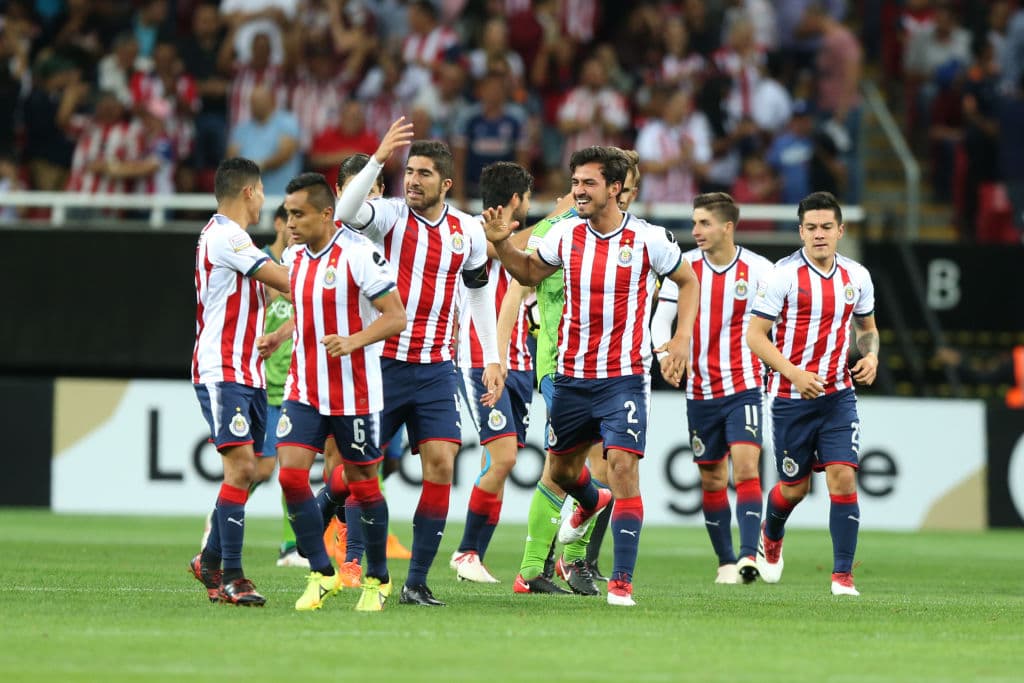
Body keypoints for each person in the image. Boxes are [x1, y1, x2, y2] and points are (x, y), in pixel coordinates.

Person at [484, 146, 699, 606]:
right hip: (571, 376)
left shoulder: (648, 240)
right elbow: (525, 271)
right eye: (575, 182)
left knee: (622, 467)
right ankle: (588, 503)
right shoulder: (563, 235)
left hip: (624, 376)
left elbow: (688, 281)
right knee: (562, 471)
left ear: (615, 189)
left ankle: (621, 582)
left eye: (588, 183)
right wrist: (503, 244)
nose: (577, 191)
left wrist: (680, 341)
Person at [334, 117, 505, 607]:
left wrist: (490, 357)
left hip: (435, 369)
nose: (412, 180)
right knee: (357, 471)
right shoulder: (388, 217)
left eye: (424, 173)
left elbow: (477, 294)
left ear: (446, 183)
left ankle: (415, 582)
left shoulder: (468, 232)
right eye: (409, 171)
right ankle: (336, 521)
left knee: (441, 463)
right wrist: (378, 156)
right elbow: (345, 211)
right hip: (381, 363)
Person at [258, 172, 406, 612]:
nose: (289, 224)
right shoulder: (299, 258)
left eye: (298, 214)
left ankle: (377, 579)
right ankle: (322, 573)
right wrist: (281, 335)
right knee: (289, 475)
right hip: (304, 388)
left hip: (354, 392)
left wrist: (354, 340)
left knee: (363, 485)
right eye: (286, 215)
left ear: (327, 214)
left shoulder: (360, 255)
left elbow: (395, 317)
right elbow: (307, 310)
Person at [498, 150, 642, 596]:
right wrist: (498, 355)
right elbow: (515, 286)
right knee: (566, 468)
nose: (629, 196)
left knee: (593, 465)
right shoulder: (558, 231)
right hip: (559, 364)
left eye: (633, 189)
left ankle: (565, 561)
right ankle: (541, 567)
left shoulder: (630, 240)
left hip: (610, 368)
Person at [746, 191, 878, 597]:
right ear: (800, 231)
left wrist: (871, 357)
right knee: (794, 489)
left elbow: (867, 329)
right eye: (811, 228)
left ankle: (842, 577)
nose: (819, 235)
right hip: (790, 398)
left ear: (841, 230)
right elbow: (755, 336)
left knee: (843, 478)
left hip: (839, 396)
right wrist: (793, 373)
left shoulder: (857, 276)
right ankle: (772, 534)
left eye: (826, 227)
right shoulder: (782, 276)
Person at [650, 192, 774, 584]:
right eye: (694, 223)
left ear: (727, 227)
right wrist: (663, 358)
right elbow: (660, 321)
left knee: (747, 466)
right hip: (700, 390)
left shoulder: (759, 270)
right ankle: (724, 562)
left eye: (704, 223)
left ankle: (748, 556)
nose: (696, 231)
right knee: (711, 478)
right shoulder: (684, 266)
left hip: (744, 384)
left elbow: (778, 327)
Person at [188, 157, 290, 606]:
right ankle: (233, 575)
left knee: (251, 471)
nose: (265, 200)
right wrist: (339, 277)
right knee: (244, 469)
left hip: (247, 370)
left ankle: (208, 561)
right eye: (263, 191)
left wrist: (279, 332)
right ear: (250, 192)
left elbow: (268, 292)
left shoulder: (235, 241)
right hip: (222, 369)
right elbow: (283, 280)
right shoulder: (227, 235)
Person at [448, 161, 535, 584]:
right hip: (484, 359)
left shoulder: (523, 240)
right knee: (503, 458)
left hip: (521, 362)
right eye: (529, 198)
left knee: (497, 461)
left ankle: (474, 556)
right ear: (517, 199)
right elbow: (509, 242)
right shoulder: (474, 232)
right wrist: (565, 213)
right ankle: (466, 551)